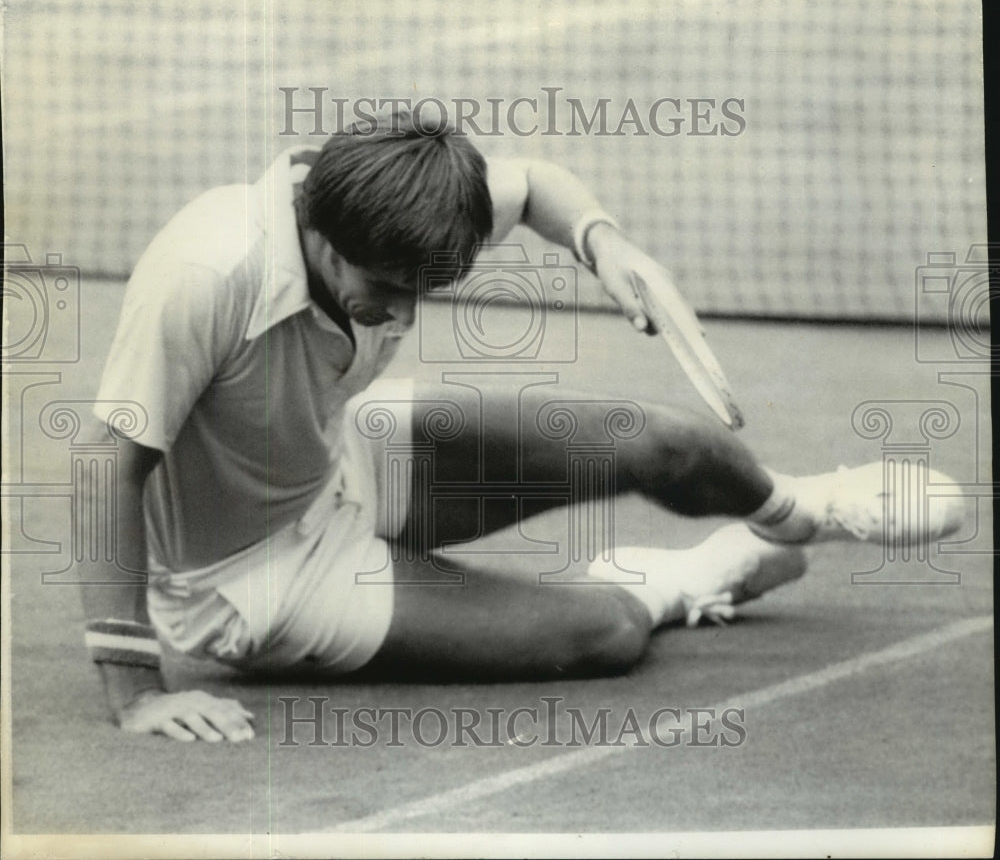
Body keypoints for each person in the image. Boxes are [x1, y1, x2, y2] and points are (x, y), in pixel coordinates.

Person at [83, 109, 963, 744]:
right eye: (385, 289)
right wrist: (134, 691)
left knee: (669, 442)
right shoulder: (205, 273)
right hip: (253, 579)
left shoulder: (417, 204)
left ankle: (800, 509)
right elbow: (106, 466)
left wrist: (606, 245)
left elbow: (536, 182)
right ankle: (680, 575)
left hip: (337, 449)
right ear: (317, 227)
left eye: (421, 290)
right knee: (609, 631)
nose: (400, 312)